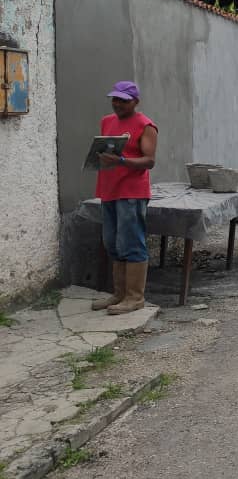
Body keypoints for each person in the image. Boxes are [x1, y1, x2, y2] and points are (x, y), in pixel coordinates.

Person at [92, 81, 158, 314]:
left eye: (123, 100)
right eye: (115, 99)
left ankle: (134, 297)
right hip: (109, 189)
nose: (117, 103)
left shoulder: (145, 125)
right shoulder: (107, 121)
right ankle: (119, 294)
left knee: (131, 242)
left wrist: (121, 161)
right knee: (111, 242)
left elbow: (149, 160)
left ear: (135, 102)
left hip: (132, 191)